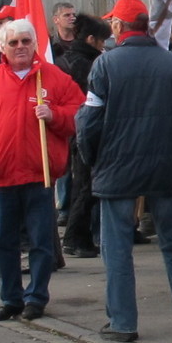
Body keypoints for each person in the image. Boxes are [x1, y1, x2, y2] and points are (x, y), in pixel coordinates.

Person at [77, 0, 172, 341]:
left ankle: (123, 322)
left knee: (117, 248)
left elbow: (89, 123)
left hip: (116, 166)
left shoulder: (105, 65)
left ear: (119, 27)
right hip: (162, 165)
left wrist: (93, 159)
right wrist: (171, 136)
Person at [0, 18, 84, 320]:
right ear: (3, 47)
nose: (20, 47)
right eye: (13, 42)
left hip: (38, 175)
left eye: (25, 41)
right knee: (4, 241)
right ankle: (11, 297)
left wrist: (54, 115)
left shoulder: (53, 78)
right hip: (0, 176)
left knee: (42, 242)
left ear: (34, 45)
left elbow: (80, 114)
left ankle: (36, 297)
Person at [57, 13, 108, 257]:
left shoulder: (67, 59)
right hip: (86, 128)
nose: (103, 47)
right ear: (90, 39)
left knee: (81, 184)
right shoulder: (86, 64)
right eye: (101, 41)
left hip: (75, 127)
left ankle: (78, 236)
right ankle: (76, 237)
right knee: (85, 185)